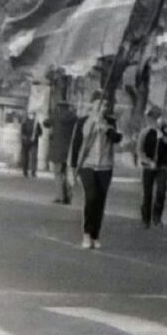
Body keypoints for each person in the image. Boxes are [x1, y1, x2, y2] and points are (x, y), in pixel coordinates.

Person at [73, 91, 122, 248]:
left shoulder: (111, 122)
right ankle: (87, 233)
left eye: (105, 104)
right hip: (87, 165)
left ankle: (95, 234)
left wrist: (106, 127)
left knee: (100, 201)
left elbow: (117, 138)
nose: (102, 107)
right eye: (100, 103)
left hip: (105, 166)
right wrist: (72, 168)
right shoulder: (83, 122)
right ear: (93, 104)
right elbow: (75, 145)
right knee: (91, 196)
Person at [137, 108, 167, 228]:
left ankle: (157, 216)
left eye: (158, 119)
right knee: (147, 194)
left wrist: (166, 135)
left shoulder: (166, 133)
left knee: (161, 191)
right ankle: (146, 219)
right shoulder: (145, 132)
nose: (155, 122)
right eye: (153, 119)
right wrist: (148, 162)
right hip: (149, 167)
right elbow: (139, 150)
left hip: (162, 166)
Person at [45, 103, 79, 204]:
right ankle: (68, 196)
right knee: (67, 173)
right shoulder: (74, 117)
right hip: (70, 149)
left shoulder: (56, 115)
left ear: (59, 107)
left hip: (58, 149)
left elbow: (45, 123)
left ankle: (60, 196)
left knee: (58, 173)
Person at [18, 111, 42, 178]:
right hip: (27, 142)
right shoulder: (25, 122)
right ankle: (25, 171)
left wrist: (36, 133)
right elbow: (22, 132)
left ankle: (33, 172)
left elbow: (40, 133)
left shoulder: (36, 124)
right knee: (26, 157)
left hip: (34, 142)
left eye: (33, 115)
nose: (32, 116)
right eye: (31, 115)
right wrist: (25, 138)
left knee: (33, 157)